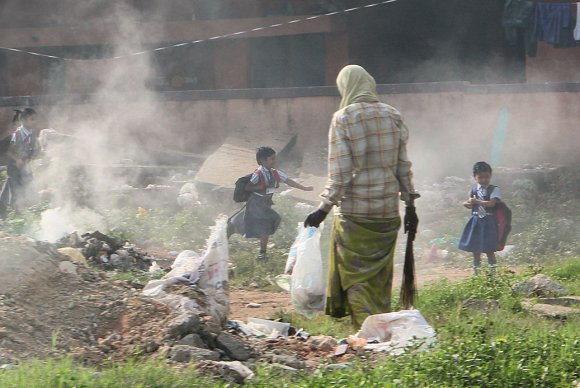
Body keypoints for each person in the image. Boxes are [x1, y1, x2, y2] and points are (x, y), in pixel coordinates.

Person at [304, 65, 418, 328]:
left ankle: (366, 335)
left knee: (355, 279)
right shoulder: (393, 116)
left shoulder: (343, 118)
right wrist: (410, 206)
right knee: (379, 280)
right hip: (388, 215)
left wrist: (322, 209)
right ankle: (380, 331)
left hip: (355, 215)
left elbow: (340, 173)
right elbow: (403, 166)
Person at [230, 146, 313, 260]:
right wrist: (261, 186)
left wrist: (304, 188)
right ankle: (262, 253)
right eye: (272, 159)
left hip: (265, 203)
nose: (274, 161)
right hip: (256, 203)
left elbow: (288, 181)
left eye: (274, 158)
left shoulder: (276, 173)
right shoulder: (258, 174)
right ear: (262, 162)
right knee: (267, 224)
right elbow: (248, 187)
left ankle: (236, 229)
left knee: (262, 226)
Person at [458, 161, 501, 275]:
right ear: (475, 177)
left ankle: (493, 274)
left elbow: (492, 203)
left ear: (490, 175)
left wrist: (477, 201)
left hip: (488, 222)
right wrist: (466, 204)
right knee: (475, 250)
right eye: (480, 177)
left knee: (489, 250)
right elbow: (470, 203)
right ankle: (476, 274)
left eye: (486, 177)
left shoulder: (494, 189)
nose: (483, 180)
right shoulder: (474, 190)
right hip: (476, 221)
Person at [0, 108, 40, 219]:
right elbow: (9, 151)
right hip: (14, 168)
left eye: (35, 119)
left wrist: (31, 156)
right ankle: (15, 214)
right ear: (24, 121)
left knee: (26, 187)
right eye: (32, 119)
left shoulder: (31, 136)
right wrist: (17, 159)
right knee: (16, 190)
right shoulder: (16, 134)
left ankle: (9, 210)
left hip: (25, 168)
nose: (34, 122)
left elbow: (32, 151)